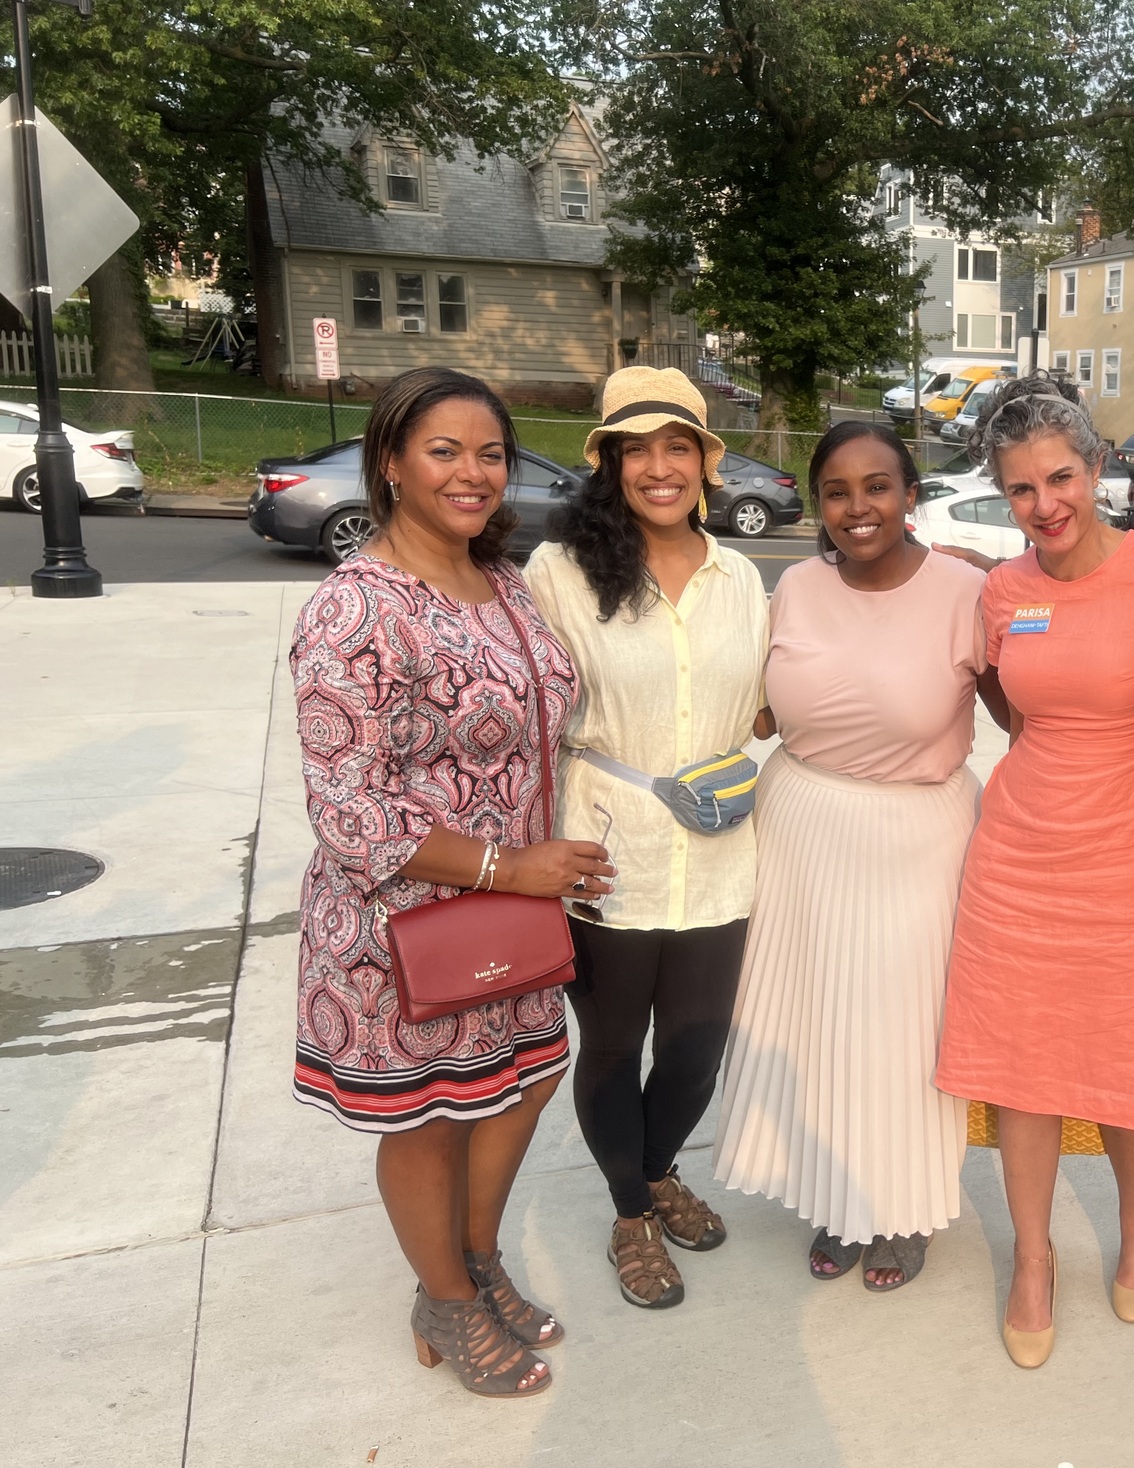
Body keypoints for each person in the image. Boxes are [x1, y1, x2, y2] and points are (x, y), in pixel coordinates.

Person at [290, 366, 615, 1398]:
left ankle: (471, 1264)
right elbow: (348, 811)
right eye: (444, 450)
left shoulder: (503, 580)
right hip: (404, 924)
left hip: (509, 920)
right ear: (390, 462)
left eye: (488, 453)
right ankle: (443, 1294)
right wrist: (509, 863)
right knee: (427, 1114)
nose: (472, 473)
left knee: (525, 1075)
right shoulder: (354, 610)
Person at [934, 376, 1134, 1369]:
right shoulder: (1003, 592)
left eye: (1060, 477)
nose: (1044, 505)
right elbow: (1012, 710)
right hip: (1018, 857)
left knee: (1127, 1066)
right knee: (1024, 1069)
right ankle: (1032, 1261)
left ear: (1096, 467)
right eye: (1019, 491)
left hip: (1130, 852)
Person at [711, 422, 1004, 1291]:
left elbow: (1031, 715)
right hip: (799, 827)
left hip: (918, 839)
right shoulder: (795, 585)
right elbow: (760, 713)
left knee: (901, 1035)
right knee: (812, 1024)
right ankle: (831, 1198)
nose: (857, 506)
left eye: (878, 486)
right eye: (836, 491)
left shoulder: (966, 592)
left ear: (912, 495)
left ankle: (900, 1206)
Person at [524, 367, 769, 1309]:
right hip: (604, 848)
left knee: (699, 1048)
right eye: (637, 450)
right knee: (616, 1044)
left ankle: (658, 1167)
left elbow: (764, 706)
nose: (658, 468)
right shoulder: (561, 572)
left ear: (707, 462)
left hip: (717, 853)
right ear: (610, 463)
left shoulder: (741, 577)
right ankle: (631, 1212)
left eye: (678, 447)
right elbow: (530, 712)